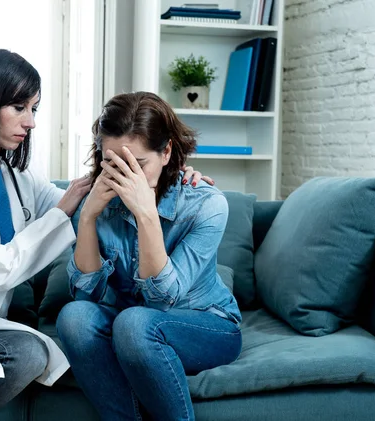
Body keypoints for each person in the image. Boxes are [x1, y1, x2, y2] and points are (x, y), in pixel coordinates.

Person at [0, 50, 209, 421]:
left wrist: (164, 173)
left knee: (32, 355)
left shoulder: (16, 173)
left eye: (34, 109)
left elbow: (78, 199)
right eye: (18, 107)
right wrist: (65, 211)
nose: (30, 122)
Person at [56, 91, 242, 421]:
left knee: (134, 323)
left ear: (167, 151)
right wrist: (87, 216)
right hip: (129, 322)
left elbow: (163, 300)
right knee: (74, 317)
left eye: (137, 164)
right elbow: (87, 294)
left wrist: (146, 213)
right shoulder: (96, 199)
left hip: (204, 323)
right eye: (112, 162)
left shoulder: (206, 205)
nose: (124, 176)